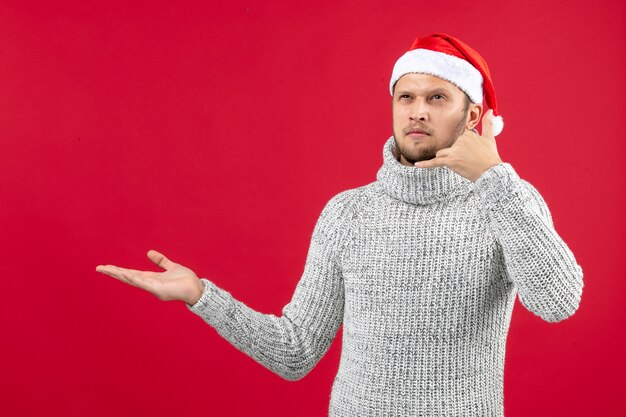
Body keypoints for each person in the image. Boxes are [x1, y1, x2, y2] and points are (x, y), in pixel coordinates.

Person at [96, 33, 583, 416]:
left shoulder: (505, 201)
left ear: (473, 114)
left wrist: (495, 179)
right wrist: (201, 295)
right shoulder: (348, 213)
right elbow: (295, 350)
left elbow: (558, 302)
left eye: (437, 97)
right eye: (406, 97)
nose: (417, 110)